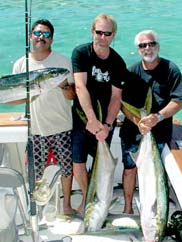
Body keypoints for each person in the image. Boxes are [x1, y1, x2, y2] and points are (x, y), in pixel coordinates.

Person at [0, 19, 76, 214]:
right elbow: (18, 97)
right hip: (36, 128)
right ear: (30, 36)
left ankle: (66, 205)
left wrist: (63, 85)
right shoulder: (21, 64)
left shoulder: (62, 62)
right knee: (35, 172)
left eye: (46, 34)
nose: (42, 37)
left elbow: (72, 95)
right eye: (38, 33)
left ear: (52, 39)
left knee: (66, 168)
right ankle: (38, 208)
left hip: (62, 124)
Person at [120, 29, 182, 214]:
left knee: (152, 174)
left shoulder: (170, 69)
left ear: (158, 46)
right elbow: (121, 103)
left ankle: (151, 210)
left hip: (159, 131)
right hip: (132, 131)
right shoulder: (132, 71)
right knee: (129, 169)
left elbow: (179, 101)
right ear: (138, 49)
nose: (147, 48)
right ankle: (127, 208)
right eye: (142, 45)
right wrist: (138, 121)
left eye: (151, 44)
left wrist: (156, 117)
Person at [71, 13, 127, 214]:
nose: (102, 37)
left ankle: (99, 198)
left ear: (114, 35)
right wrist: (91, 120)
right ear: (92, 32)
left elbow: (116, 97)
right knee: (77, 160)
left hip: (105, 122)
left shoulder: (118, 63)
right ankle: (87, 197)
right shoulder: (81, 53)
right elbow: (80, 87)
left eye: (107, 33)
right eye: (99, 32)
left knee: (99, 163)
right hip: (81, 117)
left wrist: (107, 125)